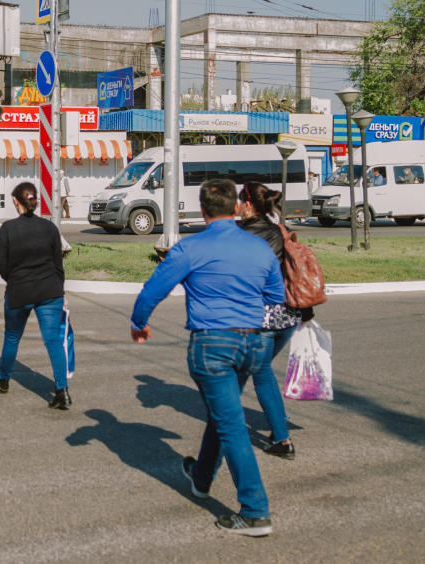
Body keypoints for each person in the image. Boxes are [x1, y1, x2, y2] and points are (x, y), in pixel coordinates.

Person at [130, 178, 285, 537]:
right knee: (224, 412)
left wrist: (140, 324)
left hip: (212, 346)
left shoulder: (190, 248)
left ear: (201, 211)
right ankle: (200, 477)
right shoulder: (260, 247)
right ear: (235, 208)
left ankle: (255, 511)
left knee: (231, 425)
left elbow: (152, 290)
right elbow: (276, 295)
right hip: (253, 345)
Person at [238, 181, 316, 460]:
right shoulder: (280, 230)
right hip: (289, 317)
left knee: (260, 373)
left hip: (263, 319)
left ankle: (282, 439)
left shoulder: (240, 234)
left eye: (239, 202)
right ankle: (276, 421)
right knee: (258, 369)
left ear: (247, 205)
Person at [0, 182, 70, 410]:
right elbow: (58, 264)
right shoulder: (50, 228)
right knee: (53, 340)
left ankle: (3, 380)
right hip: (50, 291)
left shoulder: (7, 229)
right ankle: (62, 392)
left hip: (20, 292)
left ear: (16, 201)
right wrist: (60, 291)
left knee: (12, 337)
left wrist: (13, 279)